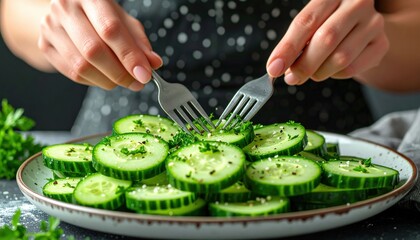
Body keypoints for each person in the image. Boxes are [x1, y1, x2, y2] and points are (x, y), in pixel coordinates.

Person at [1, 0, 420, 137]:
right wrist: (53, 23)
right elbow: (15, 11)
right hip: (118, 136)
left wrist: (371, 44)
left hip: (323, 146)